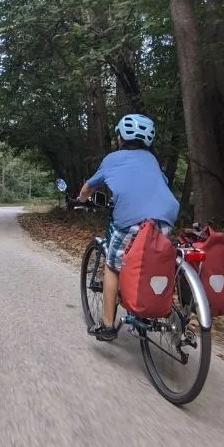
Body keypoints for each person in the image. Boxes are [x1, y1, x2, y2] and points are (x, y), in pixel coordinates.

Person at [77, 113, 180, 341]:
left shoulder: (113, 159)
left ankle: (107, 326)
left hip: (132, 221)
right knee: (153, 260)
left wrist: (81, 200)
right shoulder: (152, 160)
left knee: (113, 267)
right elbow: (161, 183)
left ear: (121, 137)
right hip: (165, 219)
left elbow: (88, 187)